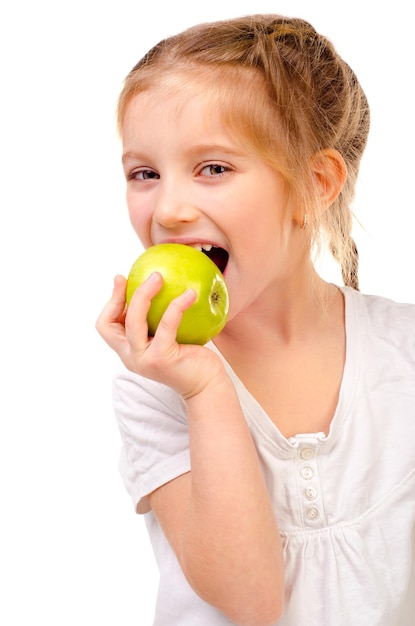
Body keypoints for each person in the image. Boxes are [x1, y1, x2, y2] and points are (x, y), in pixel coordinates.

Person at [96, 14, 415, 626]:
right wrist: (204, 386)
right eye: (145, 174)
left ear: (313, 185)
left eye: (213, 168)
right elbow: (249, 601)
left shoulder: (402, 351)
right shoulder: (155, 386)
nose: (169, 208)